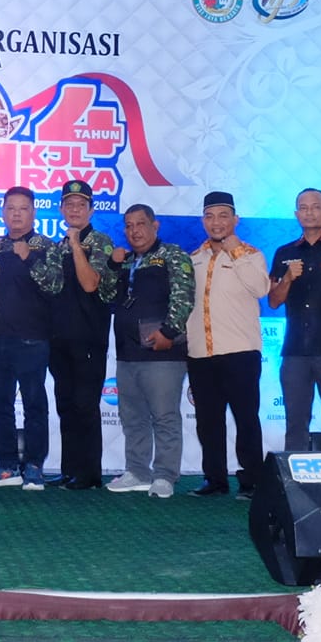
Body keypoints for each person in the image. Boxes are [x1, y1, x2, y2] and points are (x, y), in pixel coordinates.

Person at [184, 191, 270, 497]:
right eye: (210, 216)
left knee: (246, 419)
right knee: (208, 422)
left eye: (223, 216)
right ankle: (215, 479)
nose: (216, 222)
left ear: (236, 220)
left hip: (240, 352)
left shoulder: (252, 255)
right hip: (200, 353)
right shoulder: (194, 258)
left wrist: (235, 251)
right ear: (203, 221)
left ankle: (252, 481)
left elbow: (260, 288)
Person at [106, 203, 194, 497]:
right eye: (129, 226)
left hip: (162, 352)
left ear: (155, 226)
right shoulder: (126, 260)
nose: (135, 231)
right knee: (132, 417)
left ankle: (165, 475)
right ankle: (137, 471)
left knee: (164, 416)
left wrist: (168, 332)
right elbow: (106, 296)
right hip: (127, 352)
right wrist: (113, 267)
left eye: (140, 224)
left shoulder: (173, 255)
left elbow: (184, 297)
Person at [0, 187, 63, 489]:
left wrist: (29, 259)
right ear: (2, 212)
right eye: (11, 208)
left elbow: (55, 286)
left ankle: (35, 466)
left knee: (34, 405)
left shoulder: (46, 246)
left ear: (33, 212)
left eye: (23, 208)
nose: (16, 213)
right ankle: (6, 466)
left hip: (32, 341)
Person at [269, 189, 321, 454]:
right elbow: (273, 301)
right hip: (295, 351)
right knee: (295, 422)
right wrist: (287, 278)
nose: (309, 212)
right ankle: (293, 474)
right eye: (303, 208)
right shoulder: (284, 252)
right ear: (296, 214)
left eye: (316, 207)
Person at [50, 179, 119, 489]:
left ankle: (89, 473)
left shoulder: (100, 241)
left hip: (88, 339)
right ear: (61, 209)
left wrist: (77, 246)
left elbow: (90, 284)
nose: (75, 209)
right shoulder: (58, 246)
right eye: (69, 204)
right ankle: (70, 469)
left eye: (81, 205)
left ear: (91, 210)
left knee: (85, 405)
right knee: (65, 405)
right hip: (59, 339)